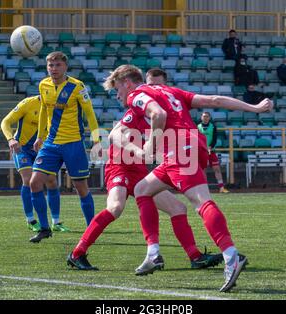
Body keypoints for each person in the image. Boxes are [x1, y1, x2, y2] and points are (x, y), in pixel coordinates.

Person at [103, 64, 273, 292]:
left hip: (178, 149)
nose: (118, 95)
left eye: (118, 89)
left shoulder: (137, 95)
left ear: (126, 82)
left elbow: (158, 115)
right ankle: (153, 253)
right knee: (143, 189)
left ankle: (231, 255)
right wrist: (254, 108)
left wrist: (151, 145)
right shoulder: (169, 91)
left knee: (201, 202)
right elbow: (215, 100)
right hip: (190, 146)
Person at [66, 108, 223, 273]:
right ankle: (77, 253)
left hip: (140, 172)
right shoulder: (136, 112)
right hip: (120, 167)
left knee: (178, 208)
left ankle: (195, 256)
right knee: (115, 208)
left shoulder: (162, 121)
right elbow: (116, 134)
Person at [29, 51, 100, 243]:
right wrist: (40, 136)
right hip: (51, 143)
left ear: (65, 67)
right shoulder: (43, 85)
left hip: (73, 143)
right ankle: (44, 228)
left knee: (81, 187)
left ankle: (91, 229)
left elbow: (90, 114)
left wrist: (96, 140)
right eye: (51, 66)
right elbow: (44, 109)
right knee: (34, 182)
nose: (54, 69)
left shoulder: (77, 87)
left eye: (58, 65)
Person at [0, 96, 68, 233]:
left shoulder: (59, 107)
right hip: (22, 148)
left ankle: (56, 222)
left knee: (52, 181)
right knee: (29, 179)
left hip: (43, 150)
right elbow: (5, 122)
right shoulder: (28, 103)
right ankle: (31, 220)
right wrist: (11, 139)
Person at [197, 112, 229, 193]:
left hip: (211, 151)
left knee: (217, 169)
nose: (205, 118)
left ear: (209, 117)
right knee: (203, 170)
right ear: (201, 117)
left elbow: (214, 139)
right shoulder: (197, 126)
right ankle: (205, 189)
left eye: (207, 116)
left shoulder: (213, 126)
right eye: (204, 116)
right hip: (202, 151)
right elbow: (196, 138)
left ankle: (221, 188)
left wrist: (210, 147)